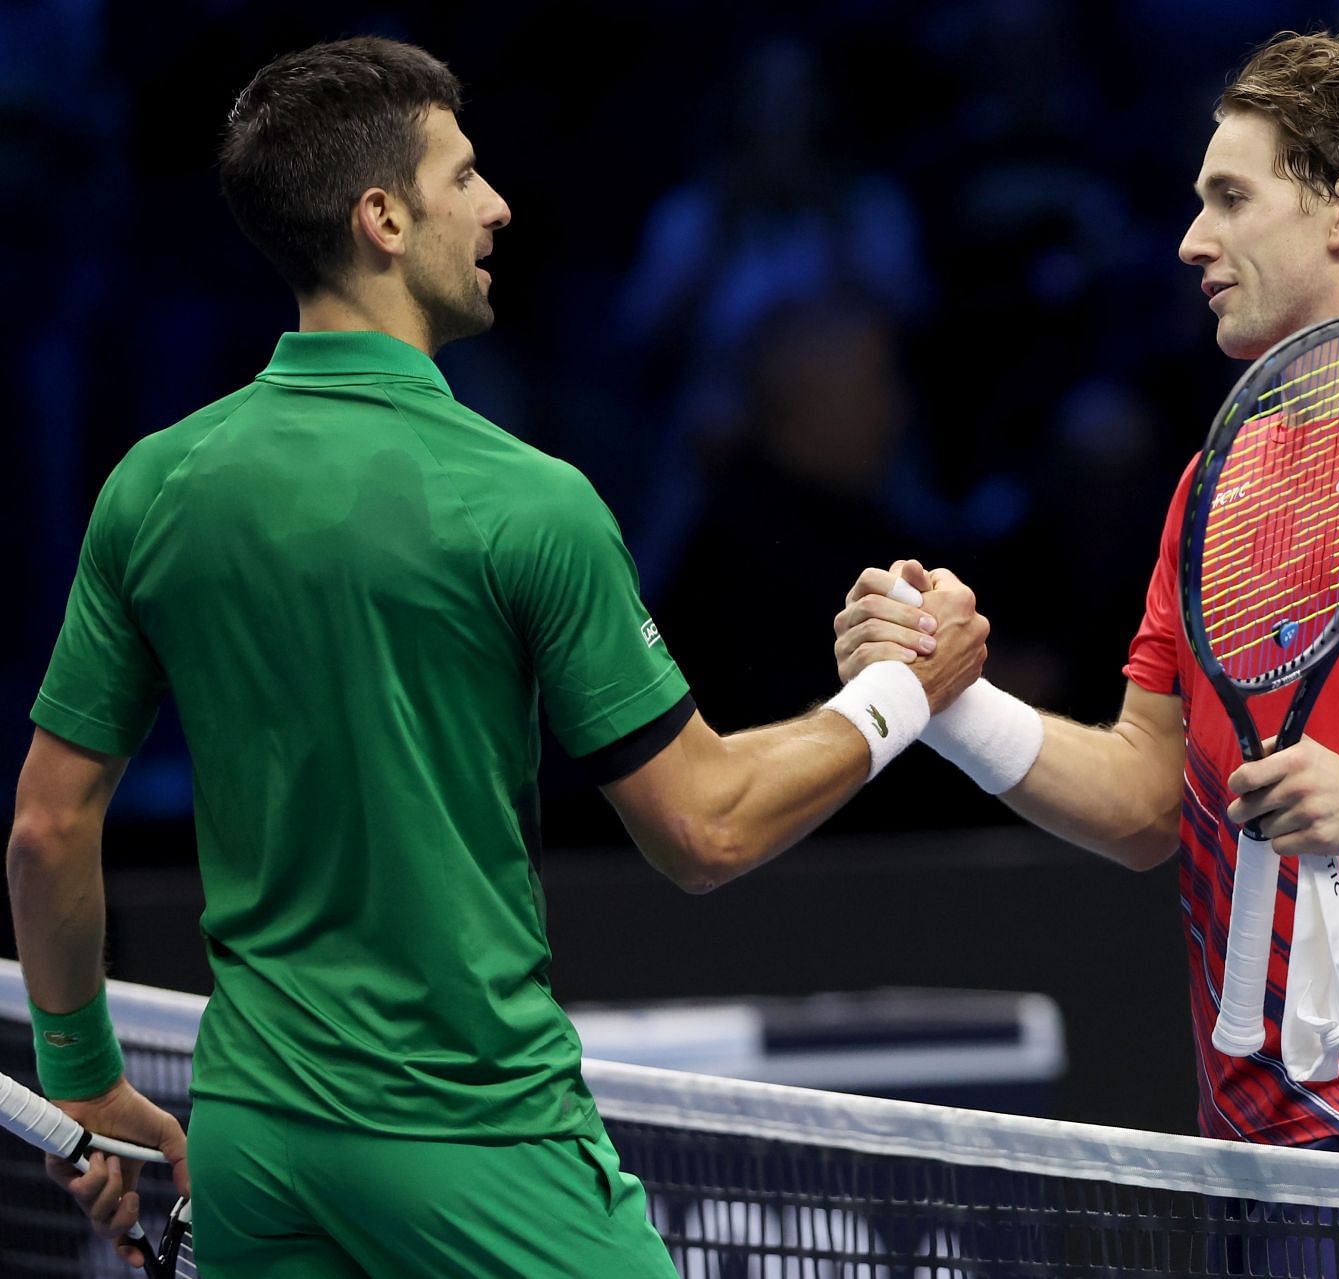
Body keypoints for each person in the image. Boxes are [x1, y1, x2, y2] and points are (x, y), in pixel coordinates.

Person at [8, 36, 986, 1277]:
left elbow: (46, 827)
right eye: (461, 176)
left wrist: (83, 1078)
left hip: (258, 1145)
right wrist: (907, 691)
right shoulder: (526, 502)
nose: (497, 204)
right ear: (380, 218)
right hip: (474, 1136)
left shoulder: (153, 487)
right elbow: (708, 827)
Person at [835, 25, 1339, 1170]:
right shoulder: (1216, 480)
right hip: (1247, 1131)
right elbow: (1141, 800)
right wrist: (947, 699)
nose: (1189, 241)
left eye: (1229, 198)